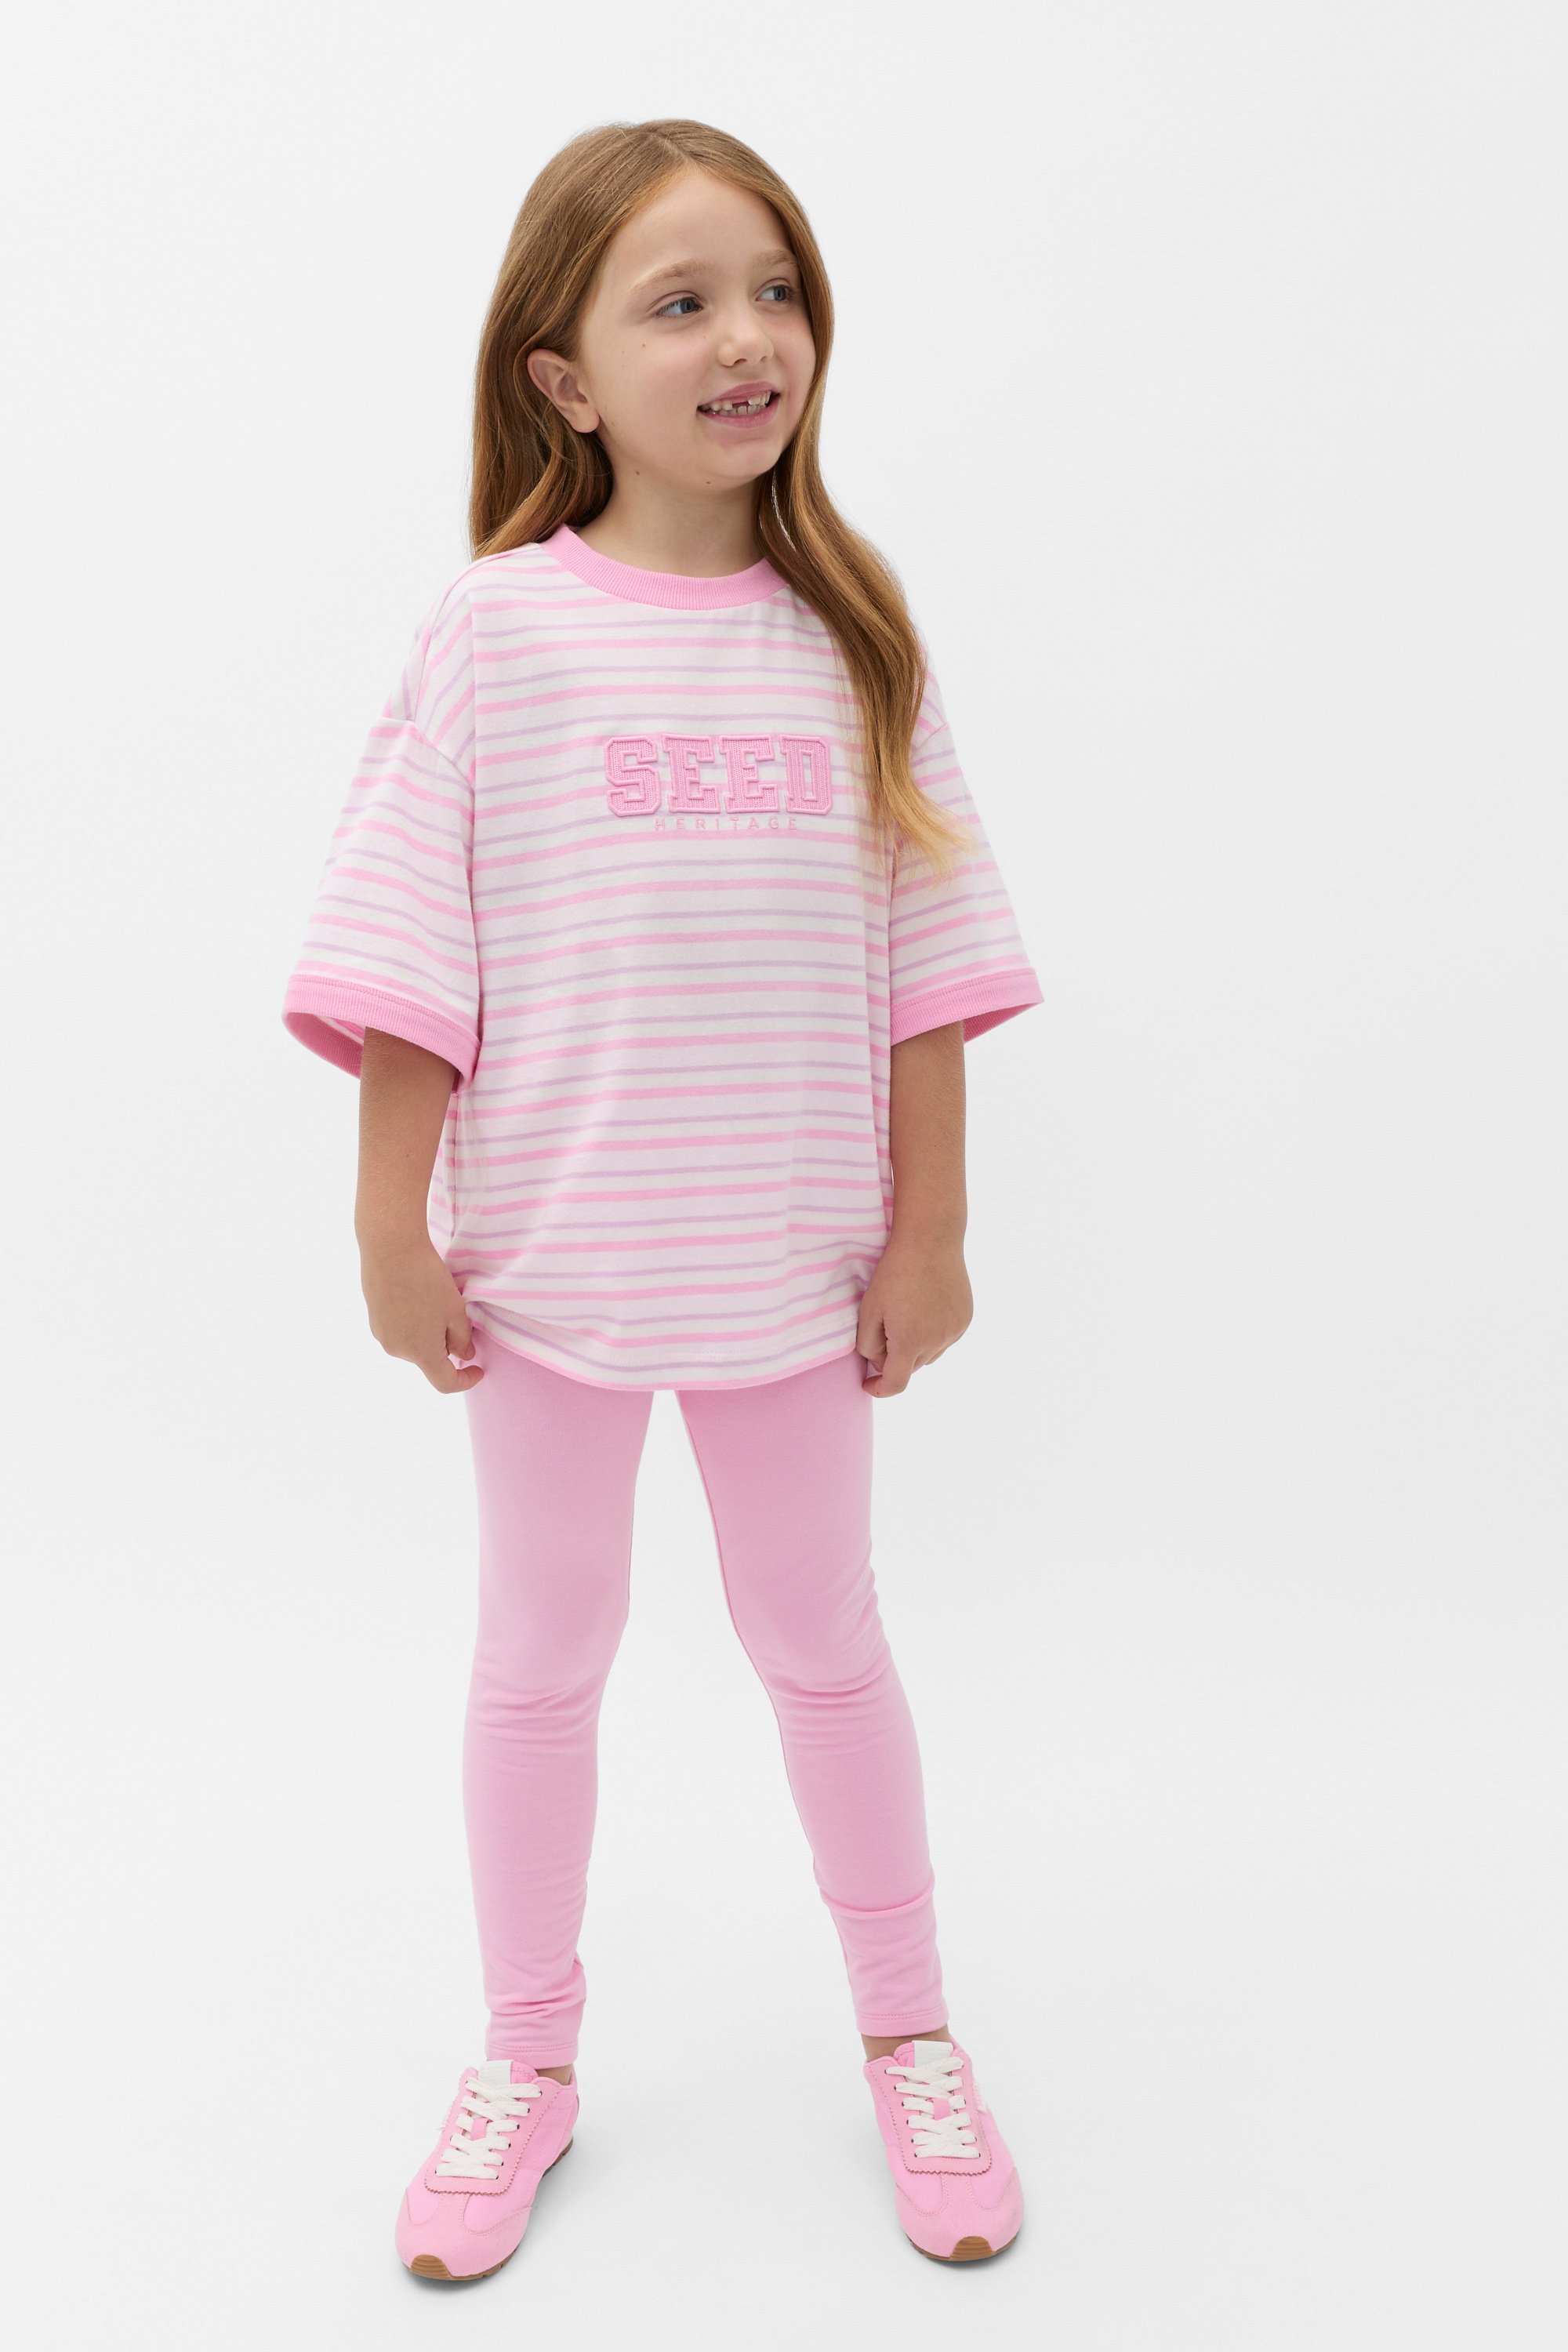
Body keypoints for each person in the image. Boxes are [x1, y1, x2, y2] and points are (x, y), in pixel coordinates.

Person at [281, 117, 1043, 2278]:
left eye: (776, 290)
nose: (746, 338)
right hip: (550, 1279)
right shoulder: (496, 634)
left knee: (823, 1643)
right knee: (542, 1656)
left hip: (795, 1275)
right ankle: (525, 2055)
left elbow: (928, 968)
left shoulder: (854, 640)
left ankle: (908, 2030)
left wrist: (931, 1233)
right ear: (565, 377)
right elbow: (411, 953)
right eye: (682, 301)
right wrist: (389, 1227)